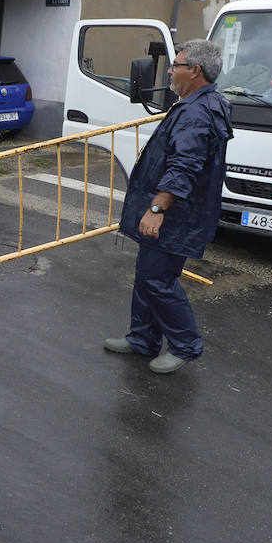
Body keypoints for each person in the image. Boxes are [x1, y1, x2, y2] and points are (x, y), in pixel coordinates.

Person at [105, 39, 233, 374]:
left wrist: (157, 209)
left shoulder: (197, 112)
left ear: (195, 71)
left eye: (176, 65)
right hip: (178, 213)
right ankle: (143, 339)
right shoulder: (200, 103)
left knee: (157, 280)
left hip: (176, 216)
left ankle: (185, 345)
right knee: (149, 276)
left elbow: (184, 167)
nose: (171, 72)